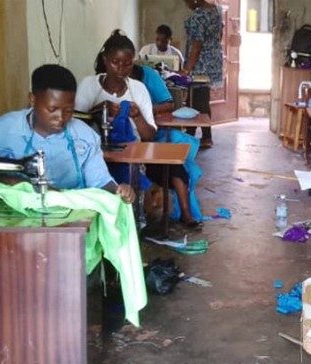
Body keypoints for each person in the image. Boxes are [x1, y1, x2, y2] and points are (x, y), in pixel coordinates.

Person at [75, 29, 202, 229]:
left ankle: (135, 222)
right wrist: (98, 110)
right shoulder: (89, 86)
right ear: (105, 60)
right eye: (115, 62)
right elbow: (76, 123)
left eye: (127, 63)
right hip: (95, 152)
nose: (121, 68)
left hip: (133, 153)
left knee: (172, 171)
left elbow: (149, 135)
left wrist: (137, 116)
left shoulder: (138, 89)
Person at [0, 64, 134, 203]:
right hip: (15, 216)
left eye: (68, 110)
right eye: (52, 109)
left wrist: (118, 190)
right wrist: (10, 180)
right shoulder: (5, 130)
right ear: (32, 99)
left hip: (73, 216)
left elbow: (99, 181)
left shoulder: (84, 136)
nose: (61, 117)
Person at [130, 63, 207, 223]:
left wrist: (144, 112)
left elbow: (148, 134)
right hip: (128, 152)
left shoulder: (143, 96)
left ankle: (186, 213)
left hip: (145, 146)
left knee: (176, 168)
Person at [182, 0, 223, 149]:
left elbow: (196, 46)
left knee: (196, 100)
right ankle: (201, 135)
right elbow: (220, 34)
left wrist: (186, 69)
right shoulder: (217, 10)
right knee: (201, 100)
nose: (187, 5)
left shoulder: (198, 16)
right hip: (213, 61)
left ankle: (198, 136)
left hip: (200, 64)